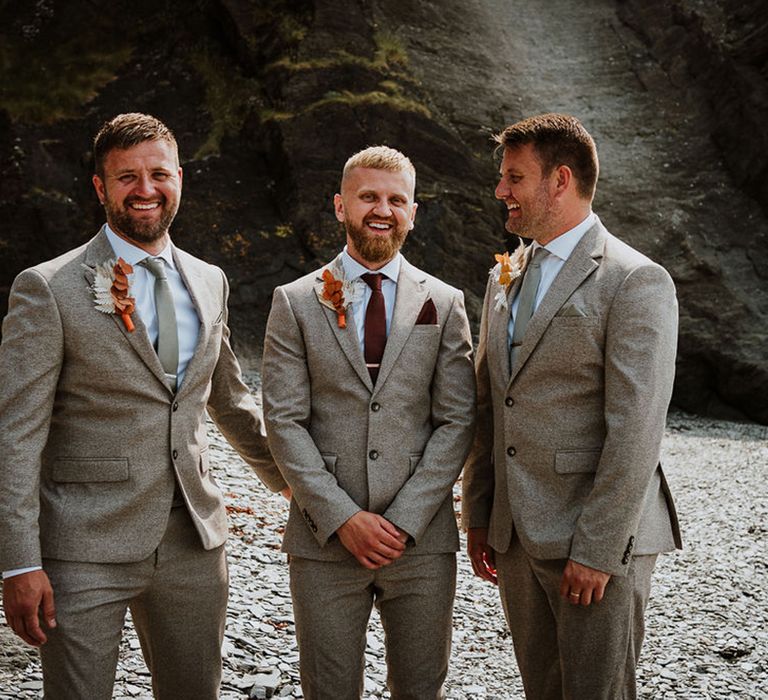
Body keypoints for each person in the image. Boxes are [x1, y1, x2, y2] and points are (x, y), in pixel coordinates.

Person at [0, 112, 287, 699]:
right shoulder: (48, 288)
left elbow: (229, 399)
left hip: (194, 543)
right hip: (82, 545)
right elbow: (16, 434)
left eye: (158, 173)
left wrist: (302, 484)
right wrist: (17, 563)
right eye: (127, 177)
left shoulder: (211, 281)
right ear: (101, 188)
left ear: (179, 178)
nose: (146, 190)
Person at [462, 113, 682, 699]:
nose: (500, 191)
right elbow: (491, 402)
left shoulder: (636, 280)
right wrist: (481, 511)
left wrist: (599, 549)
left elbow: (636, 427)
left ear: (560, 180)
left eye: (514, 178)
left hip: (594, 544)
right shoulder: (504, 276)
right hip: (514, 536)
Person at [262, 145, 476, 699]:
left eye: (396, 200)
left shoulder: (446, 303)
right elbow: (284, 421)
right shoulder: (294, 301)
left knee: (421, 687)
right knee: (327, 689)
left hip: (422, 541)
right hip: (325, 540)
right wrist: (342, 517)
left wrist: (405, 519)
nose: (383, 209)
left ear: (412, 211)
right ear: (340, 206)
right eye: (369, 197)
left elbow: (457, 420)